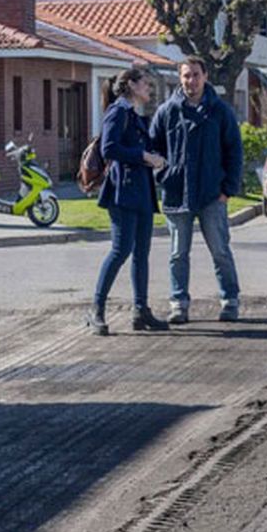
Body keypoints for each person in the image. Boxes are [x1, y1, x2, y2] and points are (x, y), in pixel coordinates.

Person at [150, 56, 244, 323]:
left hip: (212, 195)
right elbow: (153, 148)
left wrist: (228, 189)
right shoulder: (167, 112)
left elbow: (234, 152)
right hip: (177, 194)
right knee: (178, 254)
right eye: (186, 76)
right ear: (180, 79)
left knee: (220, 251)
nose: (191, 81)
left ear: (205, 76)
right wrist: (163, 176)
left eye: (195, 75)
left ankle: (230, 300)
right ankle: (178, 303)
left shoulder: (221, 112)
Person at [90, 65, 168, 335]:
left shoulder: (133, 114)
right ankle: (96, 310)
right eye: (146, 83)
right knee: (120, 250)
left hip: (141, 190)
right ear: (132, 85)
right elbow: (108, 148)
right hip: (122, 191)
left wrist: (154, 158)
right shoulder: (118, 111)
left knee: (142, 254)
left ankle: (141, 311)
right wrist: (145, 156)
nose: (149, 88)